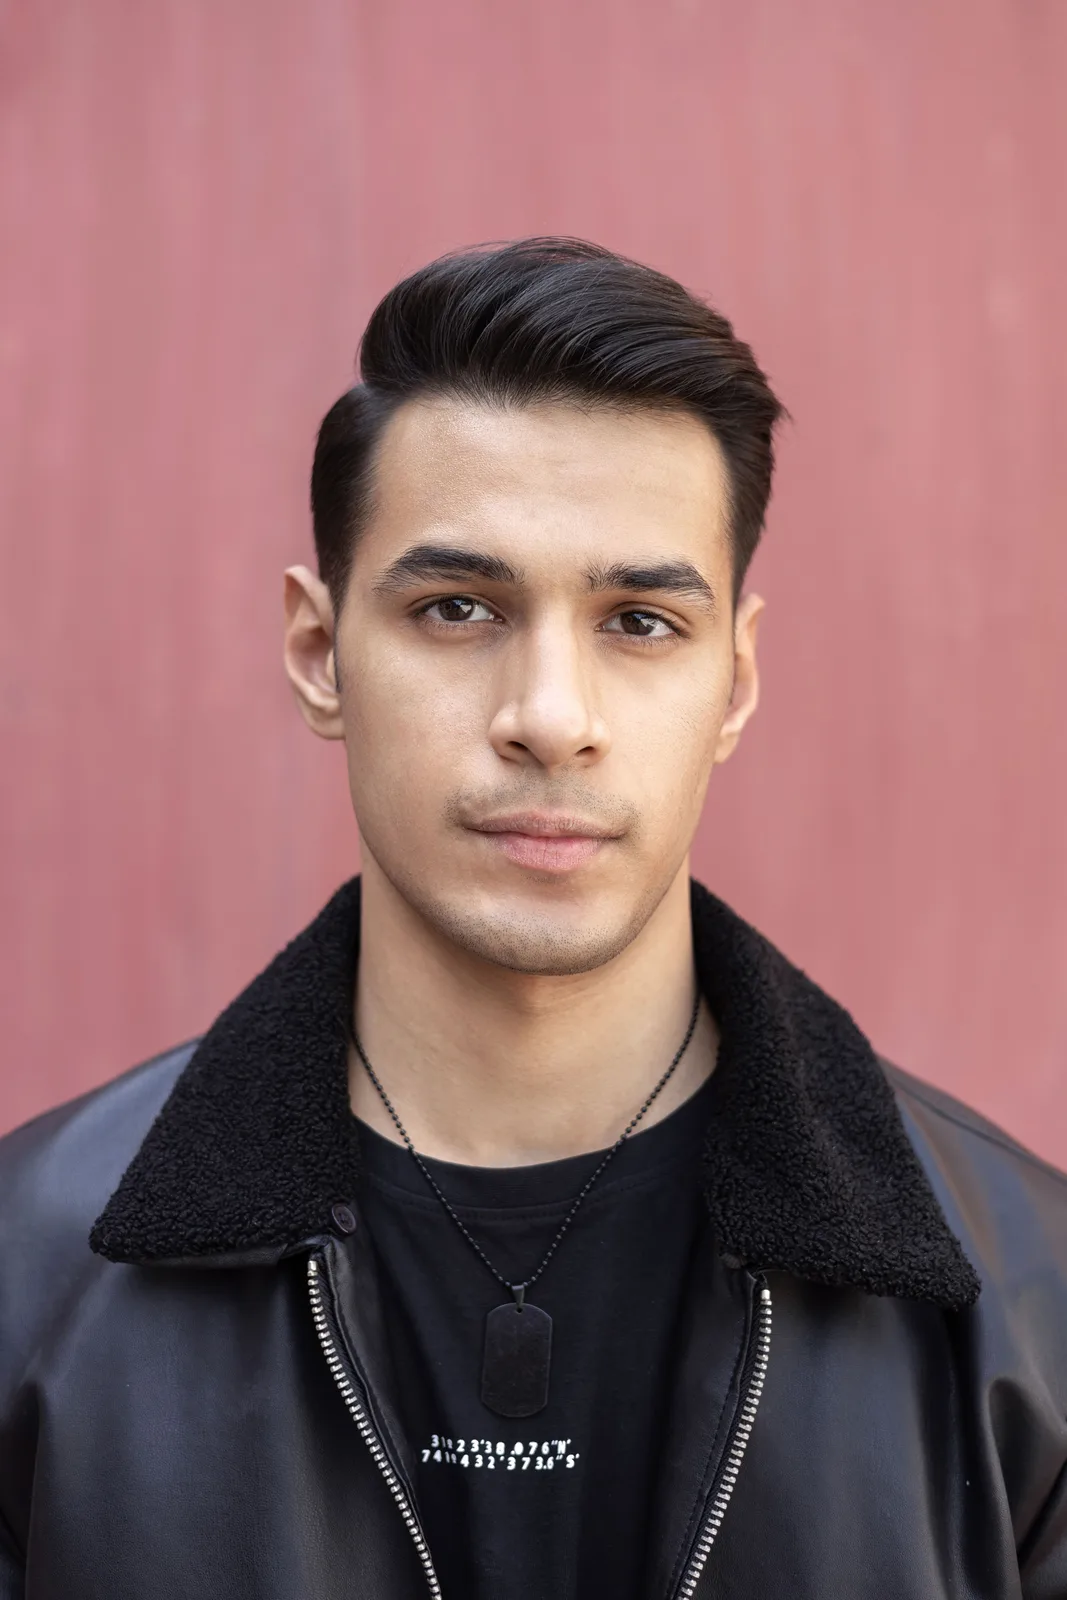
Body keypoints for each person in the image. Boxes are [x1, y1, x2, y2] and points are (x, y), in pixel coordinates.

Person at [1, 238, 1065, 1600]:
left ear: (733, 685)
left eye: (637, 623)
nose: (550, 717)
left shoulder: (1023, 1316)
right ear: (320, 655)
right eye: (457, 608)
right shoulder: (30, 1286)